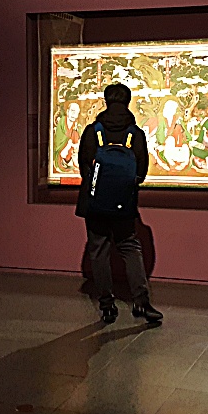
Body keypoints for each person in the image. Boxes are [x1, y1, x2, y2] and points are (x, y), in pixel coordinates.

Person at [76, 83, 162, 324]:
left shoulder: (93, 131)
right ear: (127, 102)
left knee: (98, 250)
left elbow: (84, 166)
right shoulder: (135, 134)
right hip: (124, 203)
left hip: (95, 203)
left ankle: (106, 305)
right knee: (130, 247)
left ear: (106, 101)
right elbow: (141, 171)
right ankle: (141, 302)